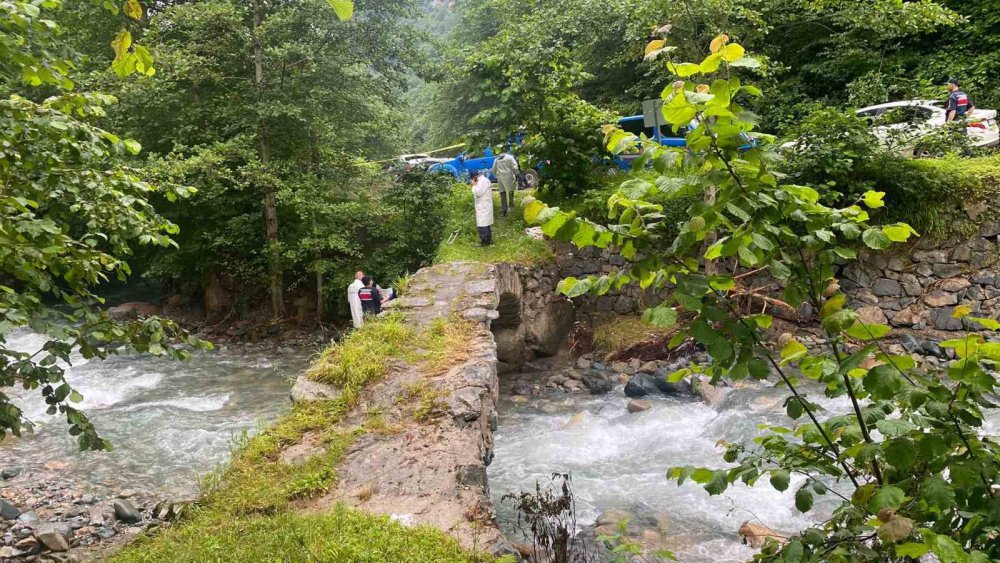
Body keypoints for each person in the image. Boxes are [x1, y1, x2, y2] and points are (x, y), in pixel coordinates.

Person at [491, 152, 520, 216]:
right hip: (509, 177)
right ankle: (511, 204)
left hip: (500, 178)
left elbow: (493, 170)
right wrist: (518, 174)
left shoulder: (496, 159)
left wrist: (498, 175)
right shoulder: (510, 157)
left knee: (502, 193)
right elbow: (515, 167)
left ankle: (504, 209)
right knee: (510, 191)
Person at [470, 170, 494, 246]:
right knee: (486, 223)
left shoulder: (481, 181)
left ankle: (484, 241)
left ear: (475, 177)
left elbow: (478, 193)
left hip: (483, 205)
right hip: (485, 204)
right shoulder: (485, 180)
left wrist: (473, 185)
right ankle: (488, 240)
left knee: (482, 223)